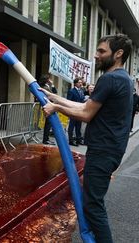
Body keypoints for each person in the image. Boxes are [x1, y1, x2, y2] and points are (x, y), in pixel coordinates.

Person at [40, 34, 133, 243]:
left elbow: (85, 114)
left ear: (118, 54)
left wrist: (55, 107)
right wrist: (53, 97)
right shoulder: (123, 78)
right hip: (110, 150)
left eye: (102, 51)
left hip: (104, 151)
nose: (96, 55)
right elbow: (85, 106)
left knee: (92, 205)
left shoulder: (109, 78)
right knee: (92, 203)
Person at [38, 74, 57, 145]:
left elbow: (55, 92)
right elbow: (52, 94)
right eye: (49, 79)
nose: (50, 80)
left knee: (49, 123)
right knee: (48, 123)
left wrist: (52, 85)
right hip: (48, 105)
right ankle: (45, 139)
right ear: (46, 80)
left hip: (50, 104)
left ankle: (46, 138)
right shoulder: (44, 87)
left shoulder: (48, 86)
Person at [66, 77, 86, 146]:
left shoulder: (81, 91)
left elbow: (82, 99)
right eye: (79, 82)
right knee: (71, 126)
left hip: (80, 111)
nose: (81, 84)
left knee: (78, 126)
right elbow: (68, 101)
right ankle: (71, 140)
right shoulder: (71, 91)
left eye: (81, 82)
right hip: (73, 111)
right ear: (75, 83)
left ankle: (78, 139)